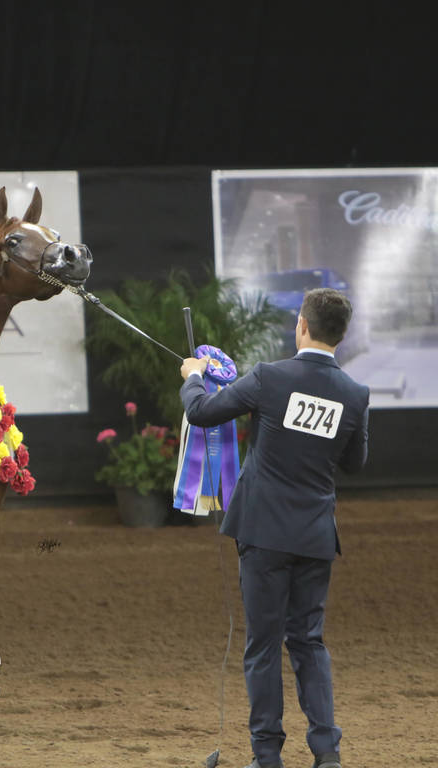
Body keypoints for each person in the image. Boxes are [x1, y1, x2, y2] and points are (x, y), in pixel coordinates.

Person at [179, 288, 369, 768]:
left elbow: (201, 412)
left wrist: (194, 378)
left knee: (263, 646)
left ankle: (267, 756)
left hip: (263, 533)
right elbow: (356, 464)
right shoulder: (354, 394)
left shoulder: (270, 377)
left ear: (301, 325)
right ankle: (327, 751)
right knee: (308, 641)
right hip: (314, 535)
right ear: (340, 336)